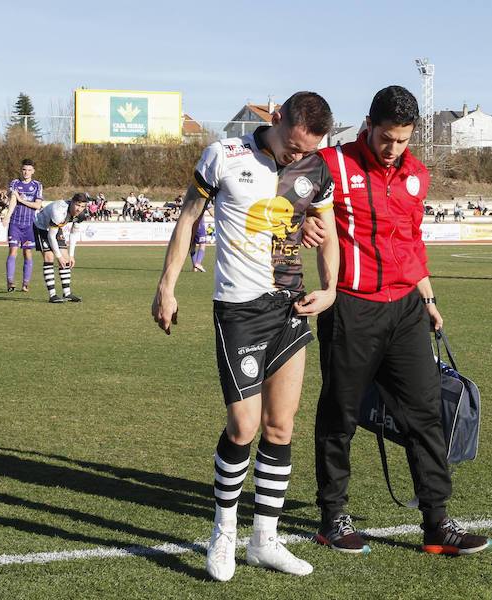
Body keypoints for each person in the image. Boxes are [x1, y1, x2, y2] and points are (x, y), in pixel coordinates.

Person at [151, 91, 339, 582]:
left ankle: (265, 540)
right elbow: (188, 217)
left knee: (281, 428)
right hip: (239, 311)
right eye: (293, 146)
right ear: (277, 120)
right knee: (243, 427)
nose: (297, 156)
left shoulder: (317, 170)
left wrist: (331, 288)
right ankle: (224, 533)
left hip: (291, 306)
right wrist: (166, 288)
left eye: (306, 150)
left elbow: (327, 230)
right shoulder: (224, 155)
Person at [303, 85, 492, 558]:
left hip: (407, 308)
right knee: (339, 414)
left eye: (402, 141)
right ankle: (333, 517)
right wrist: (302, 219)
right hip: (349, 306)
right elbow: (284, 199)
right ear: (368, 124)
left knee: (425, 415)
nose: (392, 149)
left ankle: (437, 523)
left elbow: (411, 240)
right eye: (386, 138)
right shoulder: (332, 164)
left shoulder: (416, 175)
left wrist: (428, 297)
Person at [33, 193, 88, 303]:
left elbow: (73, 233)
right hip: (41, 226)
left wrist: (71, 255)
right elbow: (51, 236)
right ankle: (52, 295)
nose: (79, 209)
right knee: (49, 257)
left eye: (82, 207)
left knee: (66, 258)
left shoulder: (81, 215)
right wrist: (58, 257)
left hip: (56, 227)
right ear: (71, 202)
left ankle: (67, 293)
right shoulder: (59, 211)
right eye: (77, 205)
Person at [2, 159, 44, 293]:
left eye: (29, 170)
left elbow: (37, 205)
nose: (26, 172)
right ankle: (10, 282)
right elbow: (13, 200)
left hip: (29, 225)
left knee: (27, 253)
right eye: (24, 169)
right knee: (13, 251)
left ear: (33, 171)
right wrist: (7, 217)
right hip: (15, 223)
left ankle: (25, 283)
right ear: (21, 170)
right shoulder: (15, 183)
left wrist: (22, 200)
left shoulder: (37, 185)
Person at [190, 204, 212, 272]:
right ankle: (198, 263)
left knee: (192, 246)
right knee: (202, 245)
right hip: (199, 225)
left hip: (189, 225)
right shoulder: (203, 199)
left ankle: (195, 267)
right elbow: (211, 212)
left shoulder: (188, 199)